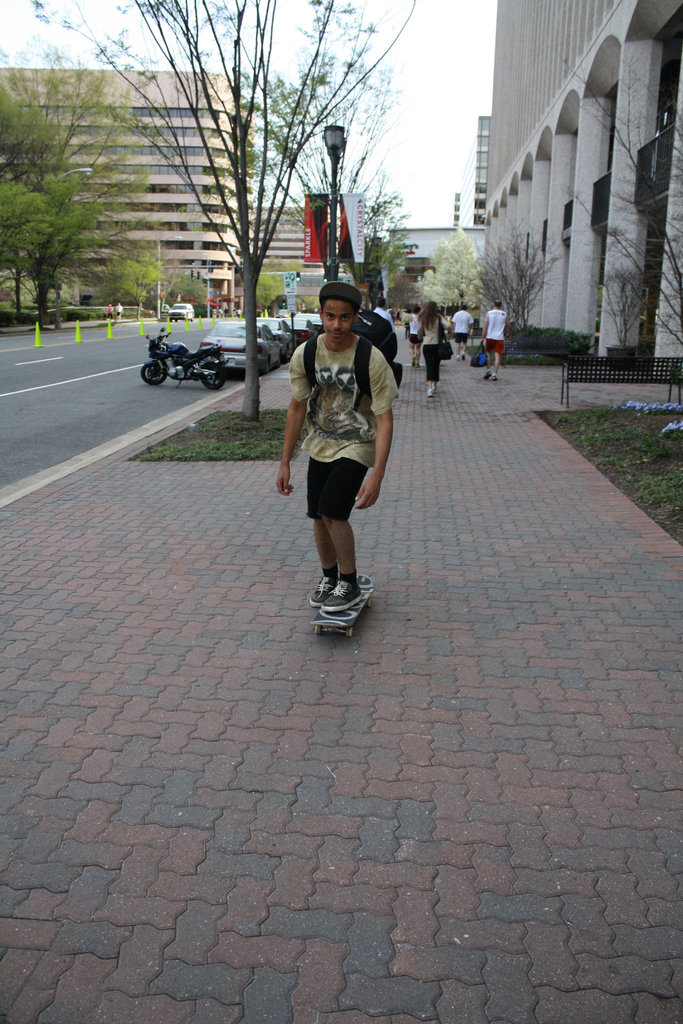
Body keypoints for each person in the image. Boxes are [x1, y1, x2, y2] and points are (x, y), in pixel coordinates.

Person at [277, 282, 399, 612]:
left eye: (345, 318)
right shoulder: (307, 353)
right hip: (320, 443)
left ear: (355, 317)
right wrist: (285, 461)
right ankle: (329, 577)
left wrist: (377, 474)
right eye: (330, 316)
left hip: (357, 444)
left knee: (332, 511)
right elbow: (296, 407)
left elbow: (385, 418)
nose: (336, 325)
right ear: (320, 314)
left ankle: (349, 582)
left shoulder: (369, 358)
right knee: (318, 516)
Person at [417, 301, 451, 398]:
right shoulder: (439, 317)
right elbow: (448, 325)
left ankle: (429, 388)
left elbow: (419, 330)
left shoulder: (424, 318)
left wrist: (420, 337)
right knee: (436, 365)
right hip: (437, 345)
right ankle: (435, 385)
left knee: (429, 366)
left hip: (427, 344)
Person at [481, 299, 510, 381]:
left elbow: (486, 325)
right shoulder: (504, 314)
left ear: (494, 304)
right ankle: (494, 374)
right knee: (497, 356)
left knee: (488, 354)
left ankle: (488, 370)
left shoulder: (489, 313)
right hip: (499, 337)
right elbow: (509, 325)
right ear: (500, 305)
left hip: (490, 336)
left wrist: (482, 337)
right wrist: (508, 333)